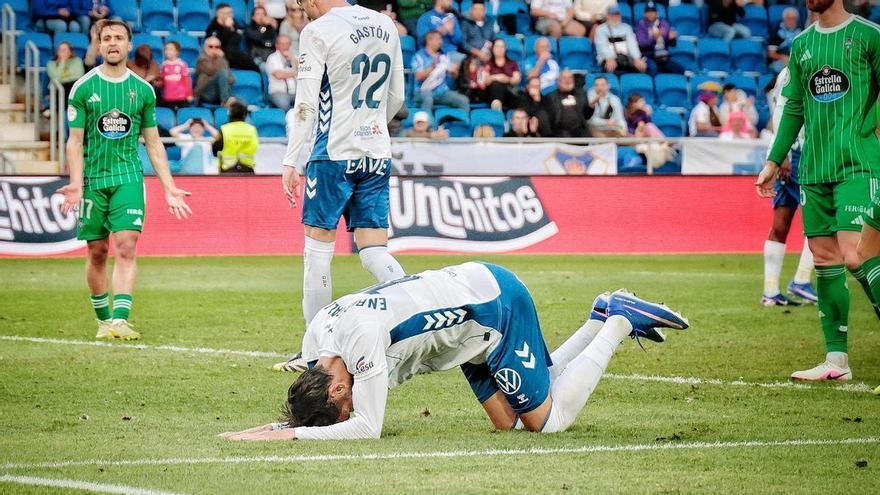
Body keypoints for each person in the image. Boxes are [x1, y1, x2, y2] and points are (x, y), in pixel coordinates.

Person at [220, 262, 689, 440]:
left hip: (493, 308)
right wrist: (284, 423)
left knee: (547, 422)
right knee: (509, 420)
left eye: (340, 406)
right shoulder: (316, 342)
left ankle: (620, 320)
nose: (348, 409)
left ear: (340, 385)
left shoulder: (361, 342)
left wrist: (288, 437)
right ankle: (597, 318)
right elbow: (332, 408)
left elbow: (368, 429)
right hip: (461, 335)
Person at [276, 0, 408, 370]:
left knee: (316, 252)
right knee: (374, 252)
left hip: (332, 152)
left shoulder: (318, 31)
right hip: (377, 150)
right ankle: (411, 329)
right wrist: (371, 125)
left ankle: (315, 353)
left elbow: (305, 104)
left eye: (304, 5)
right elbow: (397, 96)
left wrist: (291, 159)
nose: (305, 11)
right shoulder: (385, 24)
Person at [756, 0, 880, 382]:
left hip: (858, 164)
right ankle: (836, 361)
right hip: (814, 170)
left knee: (857, 256)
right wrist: (773, 161)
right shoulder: (802, 44)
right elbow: (794, 107)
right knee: (824, 260)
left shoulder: (868, 36)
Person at [57, 19, 192, 341]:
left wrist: (169, 187)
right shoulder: (83, 88)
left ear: (129, 44)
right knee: (97, 250)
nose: (113, 42)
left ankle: (119, 319)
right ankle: (103, 319)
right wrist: (76, 182)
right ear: (100, 45)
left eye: (119, 37)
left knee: (127, 246)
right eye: (107, 38)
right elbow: (74, 142)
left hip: (128, 177)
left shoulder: (142, 90)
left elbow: (154, 142)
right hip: (93, 178)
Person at [760, 68, 817, 308]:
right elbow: (783, 111)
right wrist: (783, 153)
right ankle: (801, 280)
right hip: (796, 150)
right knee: (821, 216)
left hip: (790, 149)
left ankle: (771, 291)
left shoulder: (786, 72)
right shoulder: (799, 68)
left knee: (782, 219)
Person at [412, 31, 470, 113]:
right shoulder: (419, 56)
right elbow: (418, 76)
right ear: (429, 41)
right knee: (428, 99)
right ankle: (427, 124)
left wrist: (454, 72)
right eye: (438, 39)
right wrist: (432, 67)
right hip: (422, 91)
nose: (441, 41)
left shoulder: (444, 57)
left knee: (463, 100)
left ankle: (462, 123)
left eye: (441, 39)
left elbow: (454, 77)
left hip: (442, 92)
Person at [206, 3, 260, 71]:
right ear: (219, 14)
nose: (231, 15)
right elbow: (217, 44)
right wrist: (227, 29)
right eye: (228, 13)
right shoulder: (213, 28)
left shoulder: (233, 23)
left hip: (236, 55)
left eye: (231, 12)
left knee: (256, 67)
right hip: (222, 57)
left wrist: (232, 29)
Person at [594, 6, 647, 74]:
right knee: (611, 67)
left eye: (617, 14)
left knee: (642, 67)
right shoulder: (601, 29)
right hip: (608, 58)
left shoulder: (627, 28)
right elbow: (602, 46)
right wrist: (609, 58)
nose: (615, 17)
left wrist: (637, 58)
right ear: (608, 16)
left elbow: (632, 44)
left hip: (626, 58)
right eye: (612, 15)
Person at [212, 99, 259, 174]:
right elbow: (255, 147)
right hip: (248, 169)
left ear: (230, 114)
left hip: (228, 170)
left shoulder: (224, 129)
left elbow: (215, 150)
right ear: (245, 114)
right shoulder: (251, 129)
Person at [636, 2, 683, 75]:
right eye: (648, 11)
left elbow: (673, 44)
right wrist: (654, 38)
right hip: (649, 56)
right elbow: (642, 44)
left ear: (657, 13)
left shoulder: (663, 24)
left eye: (653, 11)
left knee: (679, 69)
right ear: (645, 13)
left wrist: (672, 38)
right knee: (652, 68)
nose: (651, 14)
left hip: (663, 57)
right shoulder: (641, 25)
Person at [546, 69, 593, 138]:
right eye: (564, 78)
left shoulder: (581, 94)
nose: (567, 80)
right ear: (558, 81)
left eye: (570, 78)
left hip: (580, 133)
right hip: (559, 133)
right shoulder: (550, 96)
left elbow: (586, 116)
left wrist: (591, 106)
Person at [480, 38, 522, 111]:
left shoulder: (512, 63)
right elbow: (485, 81)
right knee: (496, 84)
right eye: (497, 46)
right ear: (492, 48)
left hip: (508, 92)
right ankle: (497, 109)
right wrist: (496, 77)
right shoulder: (487, 63)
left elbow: (517, 79)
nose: (500, 49)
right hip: (492, 93)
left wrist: (507, 79)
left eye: (502, 47)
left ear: (505, 49)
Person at [195, 37, 235, 105]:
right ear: (205, 47)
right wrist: (220, 58)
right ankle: (225, 101)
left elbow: (232, 79)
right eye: (210, 46)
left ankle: (228, 101)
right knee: (222, 73)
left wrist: (224, 79)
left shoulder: (223, 61)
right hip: (206, 93)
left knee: (241, 101)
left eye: (217, 47)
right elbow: (211, 70)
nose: (214, 49)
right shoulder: (201, 59)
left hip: (219, 93)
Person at [265, 35, 298, 111]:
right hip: (279, 92)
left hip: (296, 92)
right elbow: (279, 75)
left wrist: (292, 59)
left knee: (306, 105)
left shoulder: (294, 57)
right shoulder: (272, 58)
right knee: (284, 106)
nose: (285, 47)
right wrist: (295, 73)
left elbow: (303, 71)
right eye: (282, 44)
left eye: (287, 44)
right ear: (277, 45)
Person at [159, 41, 194, 111]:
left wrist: (189, 94)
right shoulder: (164, 65)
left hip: (181, 97)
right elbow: (162, 80)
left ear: (177, 52)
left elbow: (187, 80)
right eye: (166, 49)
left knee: (182, 114)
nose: (168, 51)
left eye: (171, 49)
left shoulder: (182, 64)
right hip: (168, 97)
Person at [768, 7, 802, 74]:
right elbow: (771, 54)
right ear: (784, 20)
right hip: (781, 60)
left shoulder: (801, 32)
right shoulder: (776, 32)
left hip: (796, 60)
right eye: (788, 19)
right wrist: (783, 57)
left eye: (794, 18)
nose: (791, 21)